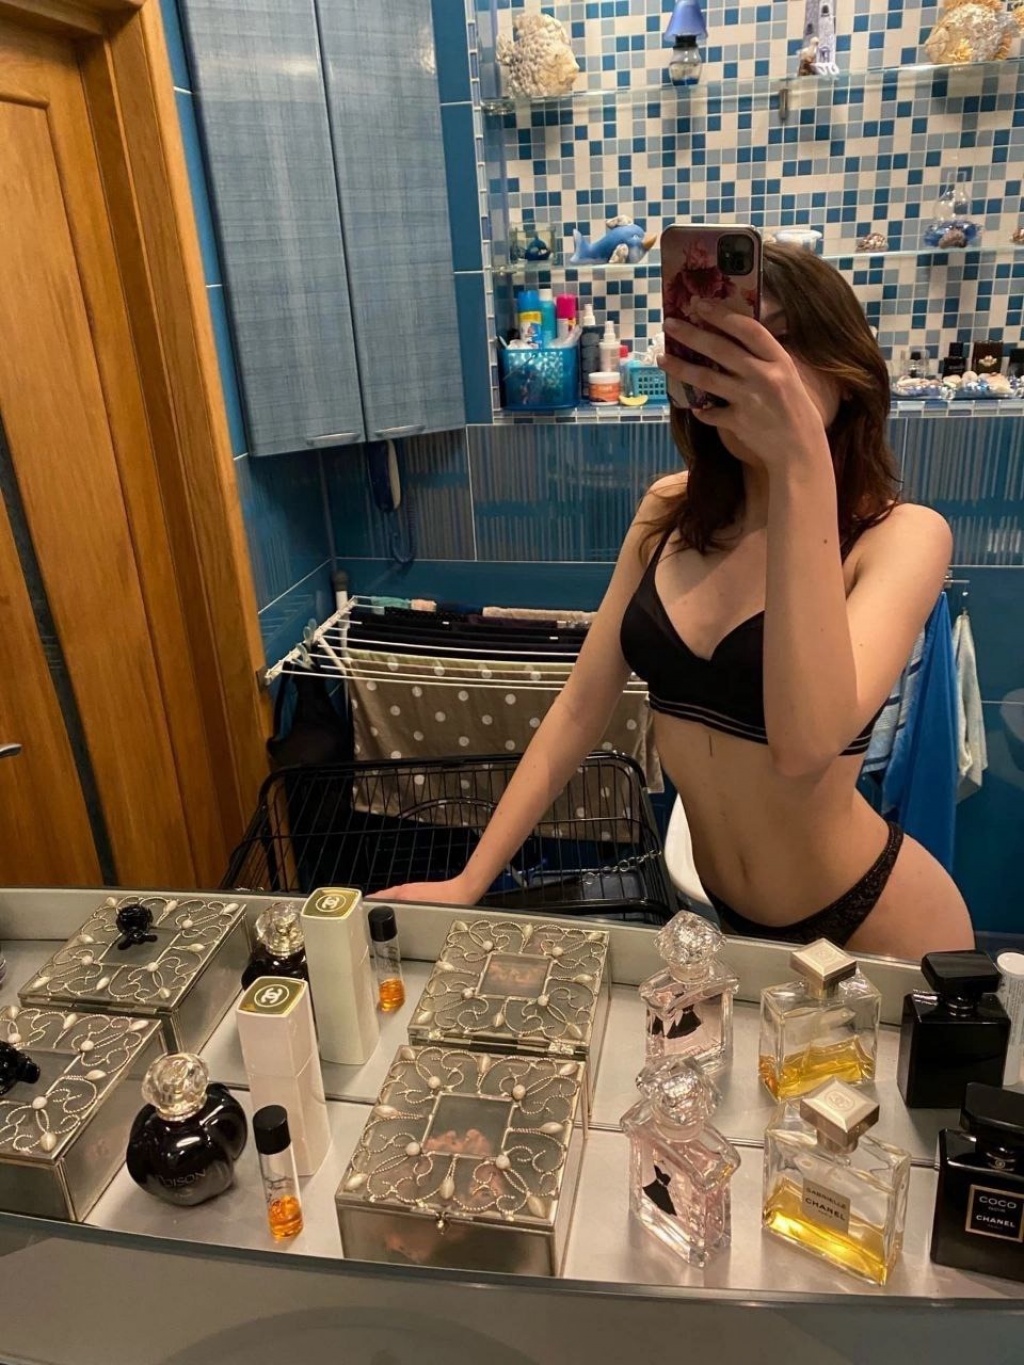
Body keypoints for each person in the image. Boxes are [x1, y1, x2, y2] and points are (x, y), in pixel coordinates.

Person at [374, 245, 974, 958]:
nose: (751, 368)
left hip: (876, 922)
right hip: (728, 920)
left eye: (775, 343)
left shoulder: (901, 537)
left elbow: (805, 749)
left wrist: (800, 462)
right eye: (723, 343)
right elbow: (580, 708)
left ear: (844, 370)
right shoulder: (670, 510)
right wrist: (471, 880)